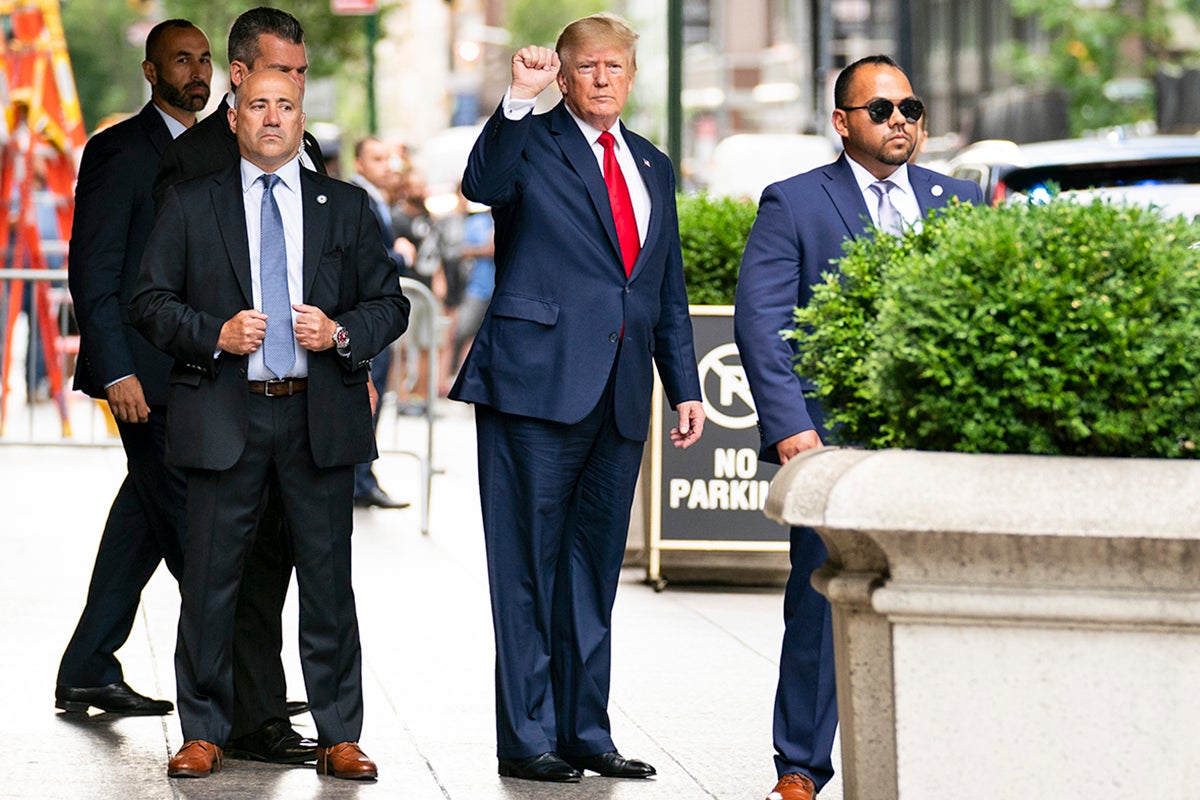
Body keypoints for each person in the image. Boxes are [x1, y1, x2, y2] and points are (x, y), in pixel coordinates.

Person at [131, 68, 409, 781]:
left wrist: (342, 333)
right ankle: (202, 732)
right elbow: (150, 300)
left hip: (319, 416)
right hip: (226, 413)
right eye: (259, 106)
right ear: (235, 118)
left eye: (286, 106)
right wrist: (212, 333)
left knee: (327, 583)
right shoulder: (193, 204)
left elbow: (390, 304)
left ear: (300, 116)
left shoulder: (344, 205)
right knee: (213, 583)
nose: (274, 119)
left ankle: (339, 735)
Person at [450, 13, 705, 783]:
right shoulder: (532, 138)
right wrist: (518, 100)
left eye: (614, 67)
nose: (601, 78)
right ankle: (527, 738)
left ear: (630, 76)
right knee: (526, 565)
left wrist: (684, 385)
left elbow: (663, 288)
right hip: (535, 383)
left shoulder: (654, 165)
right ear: (563, 73)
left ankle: (585, 730)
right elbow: (480, 184)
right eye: (586, 66)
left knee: (592, 571)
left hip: (622, 392)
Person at [733, 54, 984, 800]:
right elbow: (763, 324)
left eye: (910, 107)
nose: (900, 121)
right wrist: (791, 431)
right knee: (819, 599)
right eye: (882, 110)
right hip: (829, 439)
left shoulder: (961, 199)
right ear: (842, 123)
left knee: (940, 594)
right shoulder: (795, 202)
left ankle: (935, 755)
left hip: (935, 442)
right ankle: (801, 768)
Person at [151, 6, 332, 763]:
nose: (289, 91)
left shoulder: (309, 151)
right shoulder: (189, 165)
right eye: (278, 74)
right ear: (238, 78)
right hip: (206, 396)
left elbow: (340, 272)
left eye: (297, 76)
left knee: (280, 565)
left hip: (303, 403)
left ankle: (260, 716)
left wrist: (349, 361)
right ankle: (212, 725)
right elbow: (140, 283)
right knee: (212, 568)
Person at [58, 18, 212, 718]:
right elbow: (93, 270)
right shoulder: (118, 151)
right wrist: (115, 369)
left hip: (200, 372)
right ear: (153, 73)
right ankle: (234, 692)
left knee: (144, 518)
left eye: (205, 59)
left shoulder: (219, 148)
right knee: (196, 534)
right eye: (182, 60)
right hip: (142, 378)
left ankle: (89, 664)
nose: (197, 71)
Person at [349, 136, 412, 509]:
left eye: (390, 158)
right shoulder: (361, 199)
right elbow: (368, 257)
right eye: (377, 158)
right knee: (368, 400)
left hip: (378, 315)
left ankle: (363, 477)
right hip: (368, 317)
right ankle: (360, 480)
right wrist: (400, 256)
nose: (387, 165)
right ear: (359, 163)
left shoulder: (379, 199)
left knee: (376, 398)